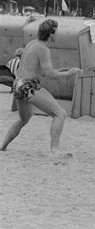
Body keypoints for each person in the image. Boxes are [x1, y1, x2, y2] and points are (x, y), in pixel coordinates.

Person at [1, 19, 83, 154]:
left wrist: (65, 70)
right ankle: (54, 151)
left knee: (23, 119)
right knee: (60, 114)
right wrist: (69, 74)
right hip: (29, 86)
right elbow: (48, 73)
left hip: (17, 85)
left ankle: (3, 146)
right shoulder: (43, 48)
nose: (58, 34)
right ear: (51, 33)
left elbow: (35, 68)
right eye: (56, 31)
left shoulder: (32, 43)